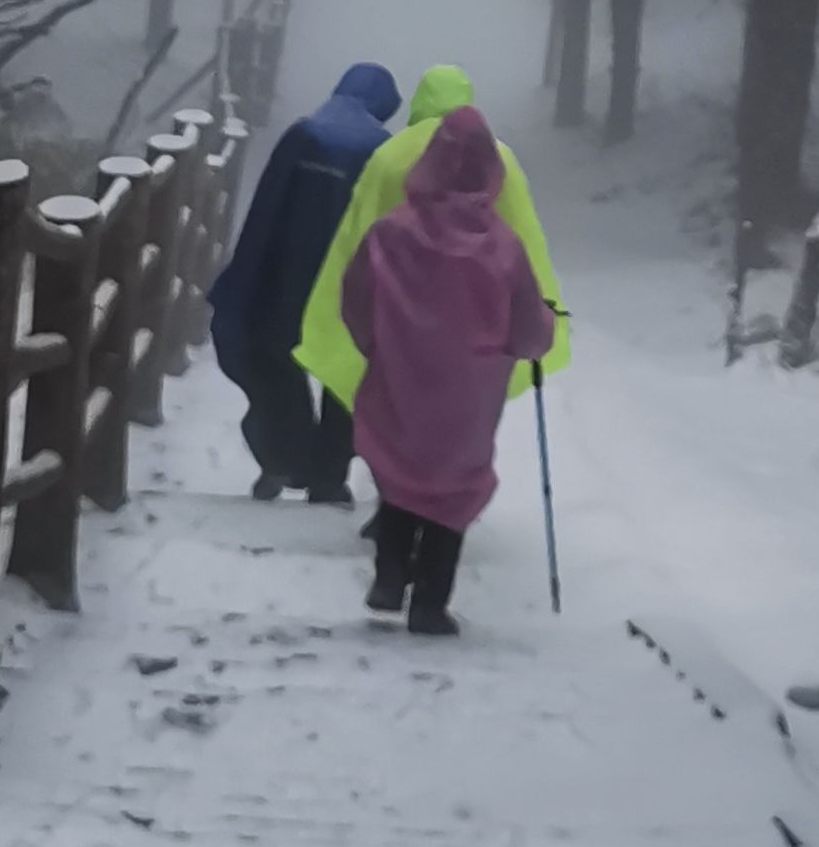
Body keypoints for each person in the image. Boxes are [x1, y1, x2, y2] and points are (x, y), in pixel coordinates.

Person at [296, 62, 569, 542]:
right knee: (457, 426)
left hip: (398, 310)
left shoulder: (389, 156)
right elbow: (522, 240)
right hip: (474, 326)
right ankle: (439, 534)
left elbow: (359, 230)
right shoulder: (497, 159)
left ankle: (392, 518)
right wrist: (538, 315)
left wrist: (356, 311)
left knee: (395, 415)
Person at [340, 105, 555, 635]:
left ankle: (390, 574)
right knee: (452, 487)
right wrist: (537, 336)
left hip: (399, 374)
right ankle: (430, 604)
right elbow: (529, 328)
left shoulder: (391, 234)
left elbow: (356, 299)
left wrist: (378, 344)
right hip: (470, 392)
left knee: (398, 469)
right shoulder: (503, 247)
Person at [209, 62, 401, 503]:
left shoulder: (304, 133)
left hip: (285, 276)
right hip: (351, 283)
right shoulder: (383, 149)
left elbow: (267, 207)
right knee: (346, 377)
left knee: (276, 365)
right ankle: (328, 478)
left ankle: (281, 457)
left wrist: (249, 274)